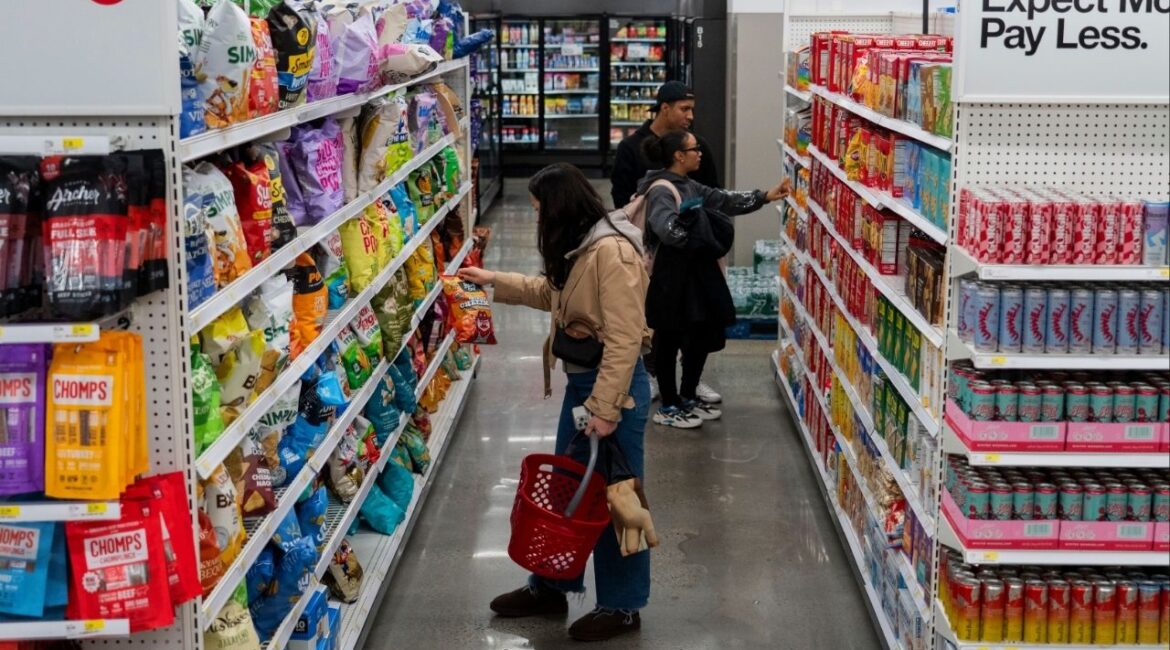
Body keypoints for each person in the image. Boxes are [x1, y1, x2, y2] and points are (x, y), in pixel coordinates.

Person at [458, 163, 653, 642]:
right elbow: (552, 294)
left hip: (615, 392)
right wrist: (492, 280)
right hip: (583, 389)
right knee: (568, 490)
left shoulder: (611, 252)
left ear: (559, 207)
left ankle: (623, 606)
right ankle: (551, 584)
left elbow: (626, 339)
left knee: (616, 497)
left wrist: (607, 410)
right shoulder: (582, 245)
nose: (538, 217)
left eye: (540, 208)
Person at [637, 130, 789, 429]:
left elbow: (722, 200)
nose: (700, 153)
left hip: (695, 274)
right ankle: (668, 405)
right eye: (694, 148)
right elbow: (667, 230)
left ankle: (686, 396)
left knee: (700, 333)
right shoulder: (661, 190)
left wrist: (765, 196)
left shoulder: (690, 185)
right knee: (668, 338)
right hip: (672, 276)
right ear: (679, 156)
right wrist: (698, 227)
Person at [610, 80, 723, 406]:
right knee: (654, 316)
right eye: (684, 109)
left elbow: (713, 192)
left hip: (693, 251)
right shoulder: (632, 148)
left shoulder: (697, 145)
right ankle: (653, 374)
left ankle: (691, 380)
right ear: (665, 108)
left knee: (695, 316)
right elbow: (621, 199)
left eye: (693, 110)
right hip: (650, 253)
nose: (690, 116)